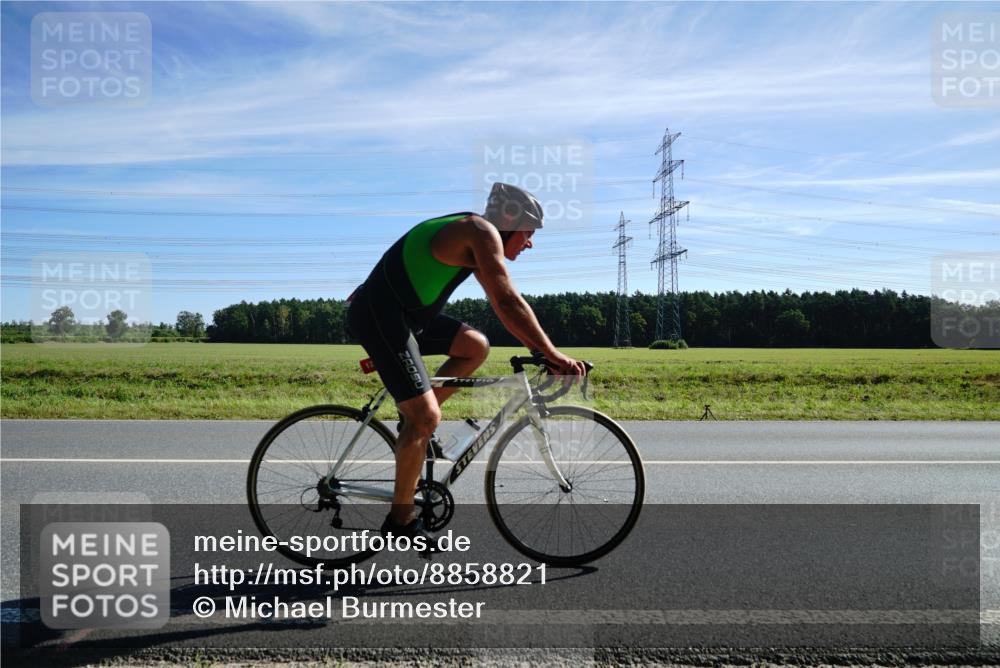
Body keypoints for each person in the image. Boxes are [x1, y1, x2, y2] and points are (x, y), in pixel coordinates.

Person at [346, 182, 587, 543]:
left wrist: (541, 350)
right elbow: (506, 300)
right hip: (378, 315)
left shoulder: (475, 235)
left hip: (404, 317)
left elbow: (502, 300)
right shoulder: (479, 231)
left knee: (475, 345)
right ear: (509, 221)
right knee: (426, 417)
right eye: (528, 233)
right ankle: (401, 520)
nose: (531, 242)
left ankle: (412, 426)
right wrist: (551, 354)